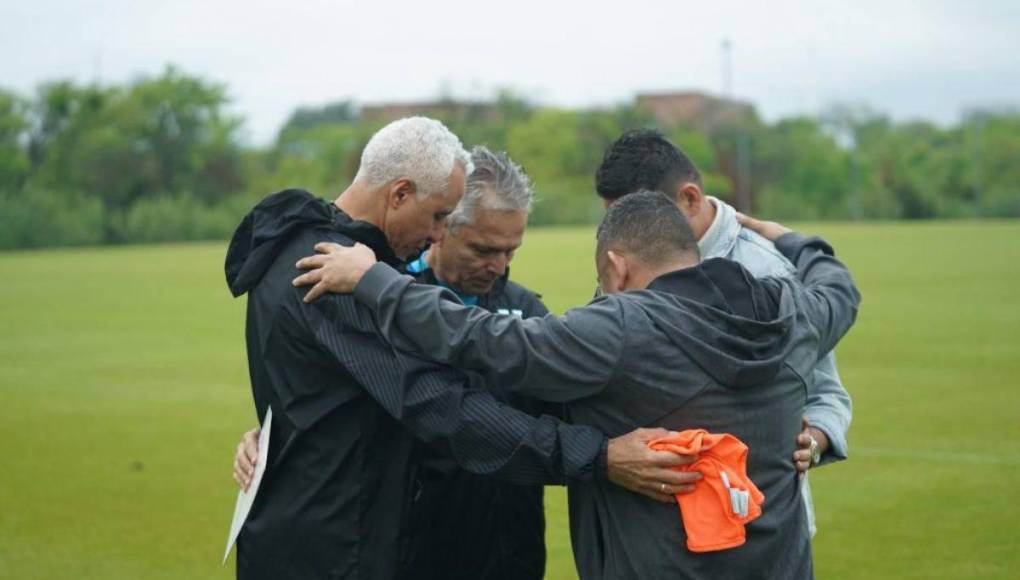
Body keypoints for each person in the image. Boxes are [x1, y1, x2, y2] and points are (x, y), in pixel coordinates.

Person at [290, 191, 861, 578]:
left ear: (616, 268)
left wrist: (373, 281)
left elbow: (485, 341)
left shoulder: (622, 327)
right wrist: (793, 241)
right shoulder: (793, 312)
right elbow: (840, 288)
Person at [224, 118, 693, 580]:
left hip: (326, 537)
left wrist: (282, 432)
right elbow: (440, 405)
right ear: (400, 194)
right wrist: (600, 457)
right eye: (439, 216)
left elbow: (324, 392)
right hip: (335, 552)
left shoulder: (306, 251)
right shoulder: (335, 274)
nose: (437, 234)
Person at [233, 145, 558, 580]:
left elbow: (563, 408)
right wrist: (276, 435)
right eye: (483, 249)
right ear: (445, 227)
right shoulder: (376, 294)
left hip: (508, 554)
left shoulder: (525, 313)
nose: (498, 267)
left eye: (510, 252)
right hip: (415, 551)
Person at [595, 129, 853, 534]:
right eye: (613, 220)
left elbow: (825, 389)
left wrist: (817, 437)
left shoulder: (768, 271)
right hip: (651, 524)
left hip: (757, 529)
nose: (623, 233)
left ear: (690, 199)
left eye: (640, 215)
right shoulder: (626, 254)